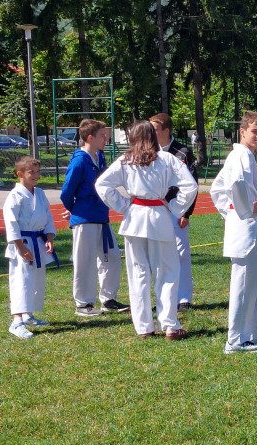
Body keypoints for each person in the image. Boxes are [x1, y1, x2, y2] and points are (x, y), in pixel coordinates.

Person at [95, 121, 198, 340]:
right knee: (167, 272)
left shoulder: (126, 160)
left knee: (138, 274)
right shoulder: (166, 159)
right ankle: (169, 325)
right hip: (159, 216)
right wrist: (176, 207)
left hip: (135, 218)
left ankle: (144, 327)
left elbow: (102, 184)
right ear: (152, 136)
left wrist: (123, 205)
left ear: (132, 137)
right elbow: (190, 186)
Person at [210, 111, 257, 354]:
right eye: (254, 132)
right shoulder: (241, 155)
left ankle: (255, 331)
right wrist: (245, 210)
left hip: (246, 223)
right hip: (244, 226)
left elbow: (217, 188)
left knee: (256, 283)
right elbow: (234, 185)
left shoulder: (243, 155)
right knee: (243, 284)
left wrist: (232, 211)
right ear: (242, 132)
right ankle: (235, 340)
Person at [60, 119, 128, 317]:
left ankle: (108, 299)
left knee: (111, 257)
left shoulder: (100, 156)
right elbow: (66, 192)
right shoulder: (79, 161)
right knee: (85, 261)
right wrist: (76, 209)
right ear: (90, 138)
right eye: (102, 136)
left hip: (101, 216)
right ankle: (83, 303)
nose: (106, 139)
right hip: (85, 218)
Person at [149, 113, 199, 312]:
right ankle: (163, 298)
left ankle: (184, 297)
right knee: (158, 255)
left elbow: (192, 183)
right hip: (154, 210)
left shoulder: (182, 152)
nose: (150, 132)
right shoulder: (149, 151)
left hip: (176, 210)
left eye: (154, 129)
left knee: (181, 253)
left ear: (166, 130)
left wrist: (186, 213)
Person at [3, 156, 57, 339]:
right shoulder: (15, 196)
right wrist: (20, 247)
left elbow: (47, 216)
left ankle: (28, 315)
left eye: (37, 171)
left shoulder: (40, 193)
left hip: (38, 240)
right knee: (22, 279)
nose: (36, 175)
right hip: (23, 242)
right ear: (20, 174)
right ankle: (17, 321)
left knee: (36, 280)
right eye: (31, 172)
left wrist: (49, 237)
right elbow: (11, 223)